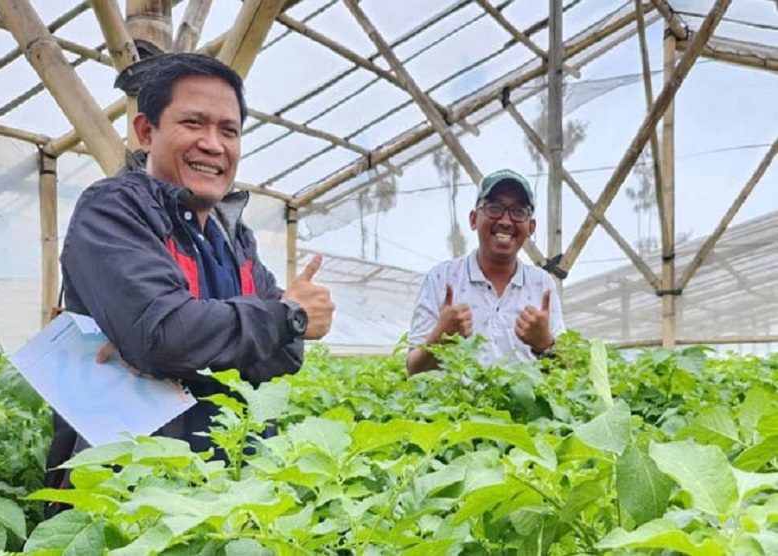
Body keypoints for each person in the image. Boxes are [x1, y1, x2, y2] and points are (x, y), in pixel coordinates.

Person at [45, 53, 335, 503]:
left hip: (231, 482)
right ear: (146, 131)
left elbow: (283, 354)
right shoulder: (113, 210)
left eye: (229, 130)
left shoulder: (232, 235)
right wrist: (277, 317)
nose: (213, 144)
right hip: (131, 489)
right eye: (193, 123)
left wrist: (264, 325)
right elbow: (164, 335)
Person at [406, 169, 564, 376]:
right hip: (454, 407)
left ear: (531, 227)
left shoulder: (542, 285)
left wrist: (545, 345)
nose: (506, 221)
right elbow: (413, 371)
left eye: (518, 211)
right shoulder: (441, 279)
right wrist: (440, 337)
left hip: (525, 409)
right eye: (494, 208)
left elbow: (565, 375)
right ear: (473, 219)